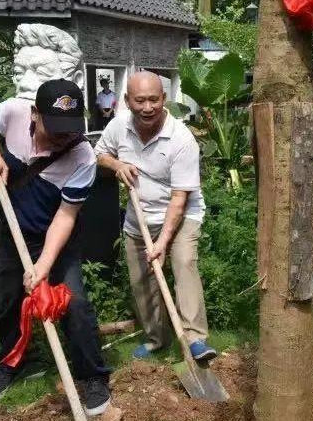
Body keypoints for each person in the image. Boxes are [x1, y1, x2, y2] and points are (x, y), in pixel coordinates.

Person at [0, 79, 111, 416]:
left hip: (57, 240)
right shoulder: (13, 112)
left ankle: (93, 377)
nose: (64, 136)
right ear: (34, 114)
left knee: (74, 303)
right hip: (13, 231)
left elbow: (65, 218)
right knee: (8, 301)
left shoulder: (83, 157)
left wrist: (44, 266)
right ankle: (16, 362)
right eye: (56, 128)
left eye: (70, 128)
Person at [94, 71, 216, 361]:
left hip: (181, 213)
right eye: (139, 101)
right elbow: (99, 154)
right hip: (139, 215)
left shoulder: (181, 139)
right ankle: (155, 338)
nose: (147, 107)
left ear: (164, 99)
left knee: (184, 262)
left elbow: (179, 199)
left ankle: (195, 339)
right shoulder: (118, 126)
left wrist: (162, 243)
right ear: (127, 101)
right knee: (142, 277)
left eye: (153, 100)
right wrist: (117, 164)